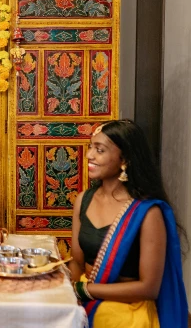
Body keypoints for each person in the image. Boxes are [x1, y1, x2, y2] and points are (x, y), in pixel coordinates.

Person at [69, 119, 187, 327]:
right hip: (85, 302)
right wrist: (77, 300)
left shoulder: (147, 212)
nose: (89, 155)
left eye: (100, 150)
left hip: (127, 310)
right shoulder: (83, 199)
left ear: (125, 159)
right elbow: (77, 262)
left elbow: (148, 287)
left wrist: (84, 291)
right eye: (90, 147)